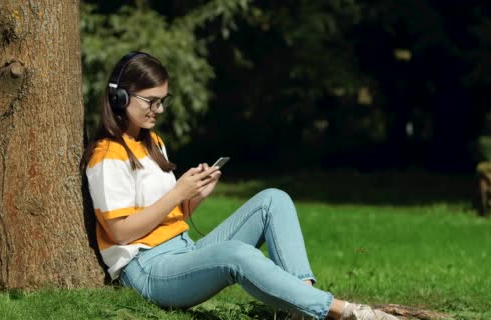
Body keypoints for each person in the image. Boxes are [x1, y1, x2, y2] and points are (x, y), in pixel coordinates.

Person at [81, 51, 399, 320]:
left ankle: (303, 297)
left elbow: (164, 217)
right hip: (148, 271)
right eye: (151, 101)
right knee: (235, 254)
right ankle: (343, 312)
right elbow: (121, 232)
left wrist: (194, 196)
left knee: (272, 200)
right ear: (119, 96)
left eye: (163, 101)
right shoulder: (107, 156)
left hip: (181, 250)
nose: (159, 110)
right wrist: (178, 192)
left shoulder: (152, 142)